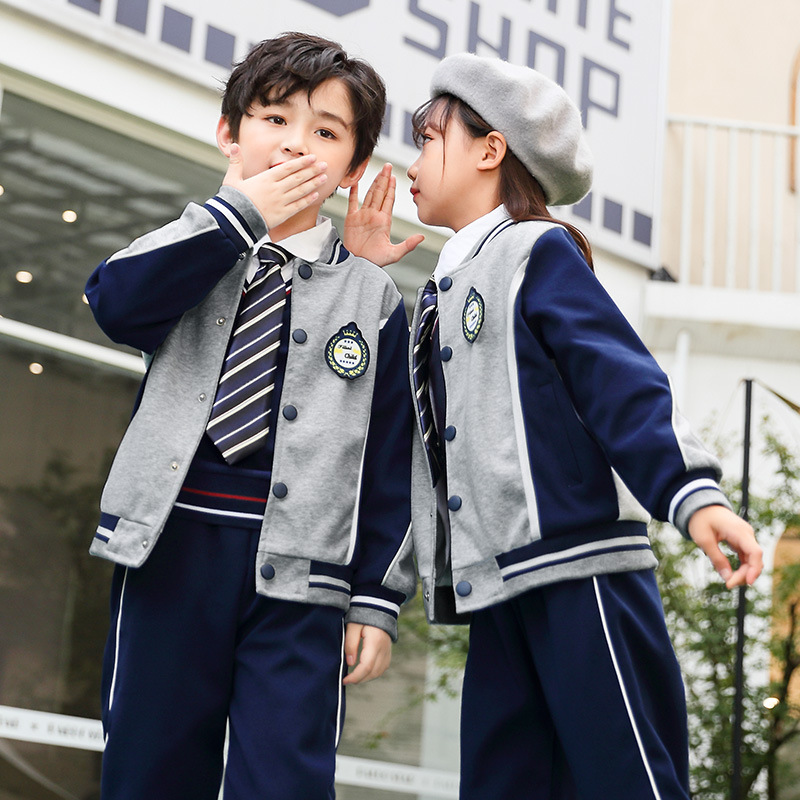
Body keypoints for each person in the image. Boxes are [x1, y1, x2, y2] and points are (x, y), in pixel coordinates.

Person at [351, 53, 763, 799]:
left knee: (629, 781)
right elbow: (413, 455)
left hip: (581, 572)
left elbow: (617, 378)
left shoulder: (535, 250)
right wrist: (361, 276)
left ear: (491, 148)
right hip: (498, 588)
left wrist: (692, 493)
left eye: (429, 139)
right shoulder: (440, 293)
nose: (411, 163)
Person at [84, 32, 417, 800]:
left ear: (354, 167)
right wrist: (235, 215)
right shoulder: (191, 246)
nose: (296, 143)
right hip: (169, 554)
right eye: (274, 119)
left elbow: (392, 460)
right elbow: (115, 305)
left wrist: (376, 597)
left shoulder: (370, 297)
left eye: (326, 132)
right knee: (149, 770)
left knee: (286, 780)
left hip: (306, 581)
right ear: (229, 134)